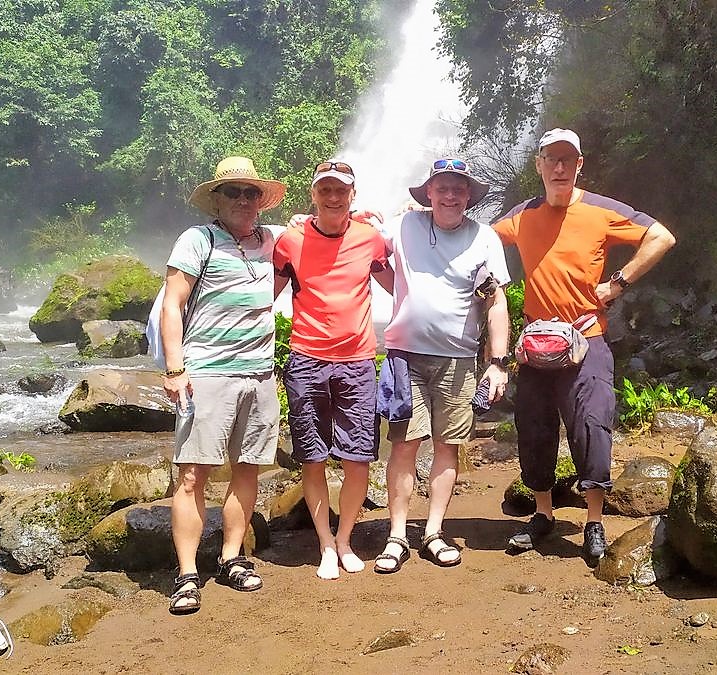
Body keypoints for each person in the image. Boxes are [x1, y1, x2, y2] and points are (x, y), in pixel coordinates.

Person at [492, 128, 676, 565]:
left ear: (579, 166)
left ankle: (593, 521)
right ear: (538, 165)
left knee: (593, 424)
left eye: (567, 160)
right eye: (551, 159)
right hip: (536, 345)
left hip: (586, 339)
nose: (559, 168)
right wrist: (422, 213)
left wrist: (619, 283)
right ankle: (542, 514)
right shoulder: (522, 215)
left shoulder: (600, 210)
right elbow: (470, 239)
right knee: (533, 428)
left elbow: (661, 237)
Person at [373, 158, 511, 573]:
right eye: (442, 188)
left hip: (459, 359)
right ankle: (397, 534)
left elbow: (496, 302)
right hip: (404, 358)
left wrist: (498, 363)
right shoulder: (404, 226)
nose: (450, 195)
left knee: (447, 446)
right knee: (404, 445)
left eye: (458, 188)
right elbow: (356, 238)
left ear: (468, 196)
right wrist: (305, 219)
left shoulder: (484, 237)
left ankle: (433, 530)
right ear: (428, 193)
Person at [161, 156, 286, 614]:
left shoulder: (270, 241)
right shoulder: (198, 240)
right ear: (216, 199)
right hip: (208, 373)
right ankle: (187, 573)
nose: (243, 200)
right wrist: (176, 368)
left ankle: (233, 558)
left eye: (251, 193)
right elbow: (172, 304)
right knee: (193, 474)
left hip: (260, 373)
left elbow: (322, 229)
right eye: (233, 192)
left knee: (247, 468)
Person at [273, 160, 391, 580]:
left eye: (340, 189)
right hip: (307, 359)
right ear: (313, 194)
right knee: (313, 458)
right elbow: (263, 291)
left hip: (358, 361)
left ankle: (345, 539)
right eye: (325, 188)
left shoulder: (370, 239)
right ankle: (324, 543)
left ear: (352, 194)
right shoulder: (290, 240)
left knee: (358, 458)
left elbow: (406, 270)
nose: (333, 196)